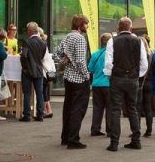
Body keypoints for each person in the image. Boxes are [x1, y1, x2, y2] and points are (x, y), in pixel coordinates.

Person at [103, 17, 148, 151]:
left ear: (118, 28)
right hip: (133, 79)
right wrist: (137, 75)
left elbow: (108, 63)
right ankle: (136, 140)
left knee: (115, 110)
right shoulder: (138, 41)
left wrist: (110, 75)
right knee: (132, 109)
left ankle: (114, 142)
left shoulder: (112, 41)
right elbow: (144, 63)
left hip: (117, 78)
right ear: (131, 28)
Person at [56, 14, 91, 149]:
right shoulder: (80, 38)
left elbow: (57, 53)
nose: (87, 26)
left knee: (68, 108)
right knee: (78, 109)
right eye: (86, 24)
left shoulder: (68, 36)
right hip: (79, 79)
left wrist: (65, 61)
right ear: (80, 25)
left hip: (68, 78)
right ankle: (73, 139)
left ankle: (65, 137)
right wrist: (86, 75)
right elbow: (81, 61)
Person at [19, 21, 47, 122]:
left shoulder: (27, 42)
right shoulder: (43, 42)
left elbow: (23, 56)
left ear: (30, 31)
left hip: (27, 71)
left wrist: (24, 68)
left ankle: (27, 115)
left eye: (27, 30)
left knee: (27, 93)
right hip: (38, 70)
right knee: (39, 93)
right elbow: (42, 56)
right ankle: (40, 114)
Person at [88, 32, 112, 136]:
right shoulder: (111, 54)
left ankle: (95, 129)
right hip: (108, 84)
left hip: (96, 84)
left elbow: (90, 68)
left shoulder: (95, 54)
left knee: (97, 107)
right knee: (110, 107)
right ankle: (110, 130)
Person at [137, 35, 155, 137]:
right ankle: (149, 130)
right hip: (149, 82)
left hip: (138, 82)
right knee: (148, 107)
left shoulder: (136, 55)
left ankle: (136, 130)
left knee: (137, 107)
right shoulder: (152, 54)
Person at [37, 27, 54, 118]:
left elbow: (41, 58)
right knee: (44, 90)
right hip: (50, 70)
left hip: (45, 71)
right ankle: (48, 110)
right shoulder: (44, 43)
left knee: (43, 90)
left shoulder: (41, 44)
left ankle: (44, 110)